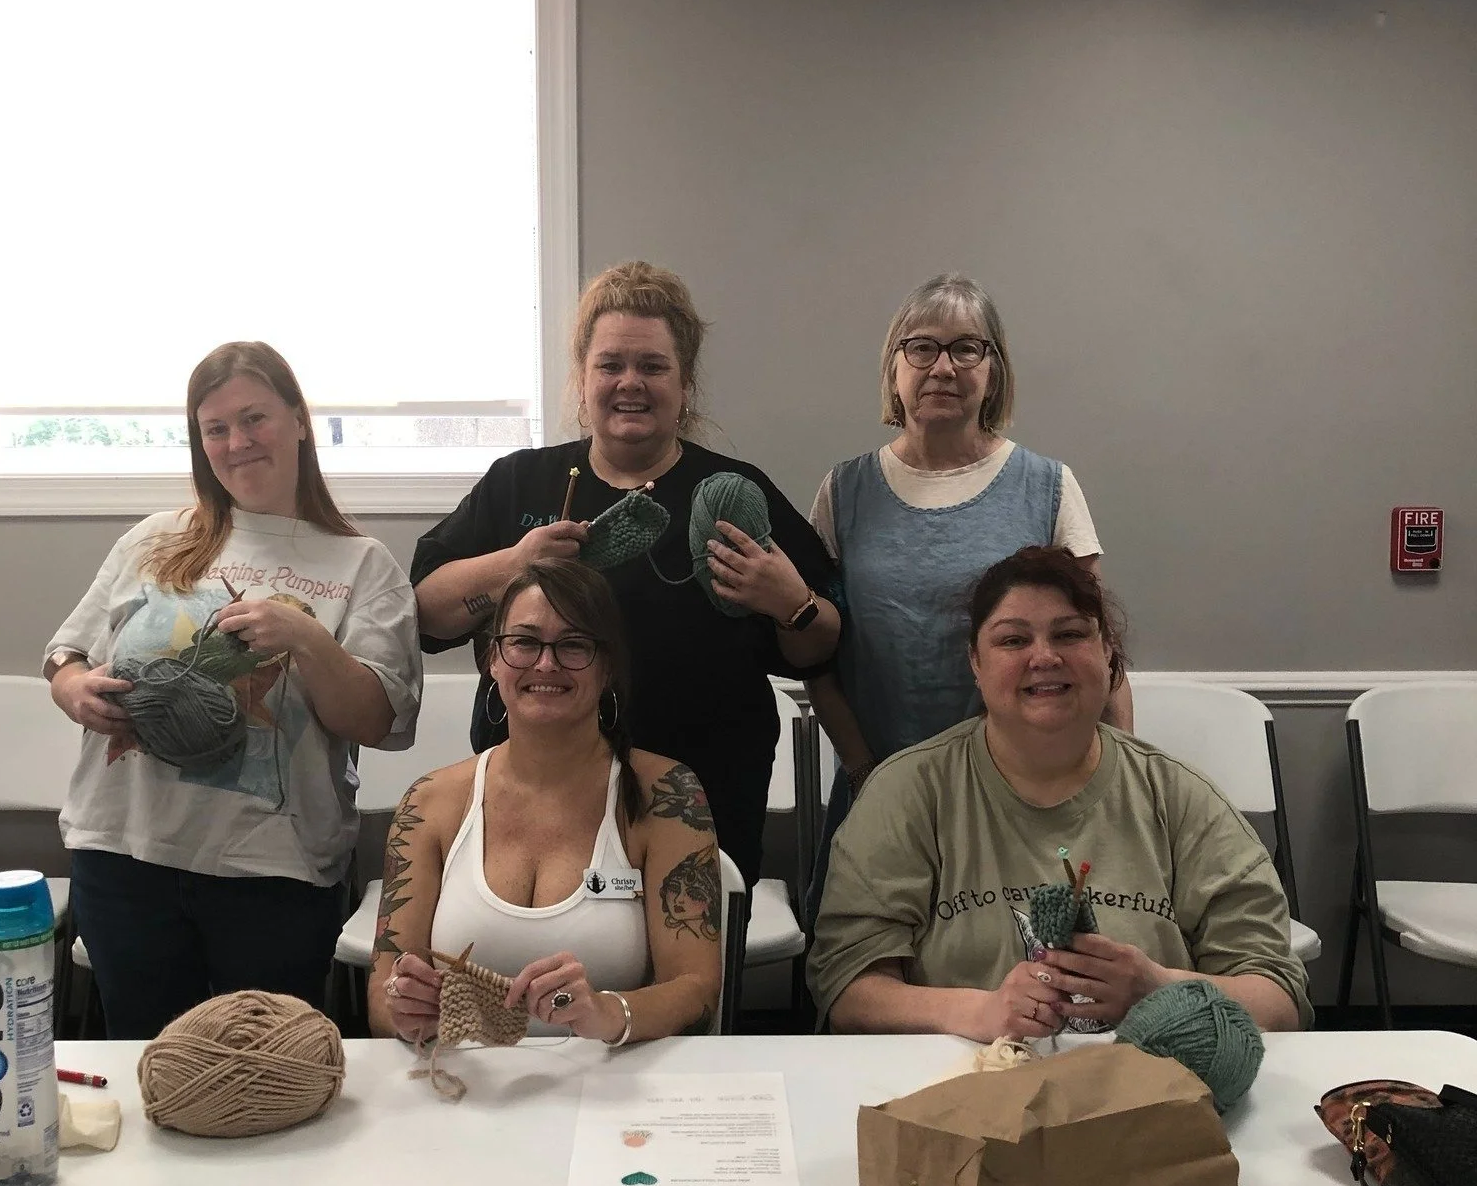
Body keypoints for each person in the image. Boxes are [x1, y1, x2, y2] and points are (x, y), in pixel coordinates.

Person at [411, 260, 839, 888]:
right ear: (581, 380)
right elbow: (425, 614)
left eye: (653, 367)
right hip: (534, 800)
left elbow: (822, 646)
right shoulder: (519, 482)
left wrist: (790, 603)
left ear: (685, 384)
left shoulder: (734, 493)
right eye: (610, 365)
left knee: (687, 980)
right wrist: (514, 565)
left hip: (705, 796)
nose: (629, 383)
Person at [45, 341, 422, 1038]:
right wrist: (73, 688)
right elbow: (66, 653)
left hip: (273, 875)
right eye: (215, 428)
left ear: (300, 421)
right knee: (146, 1069)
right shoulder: (152, 540)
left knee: (267, 1080)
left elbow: (377, 720)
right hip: (124, 857)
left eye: (254, 419)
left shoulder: (363, 565)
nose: (237, 443)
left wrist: (306, 639)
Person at [805, 547, 1310, 1039]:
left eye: (1070, 634)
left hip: (1147, 1093)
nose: (1044, 657)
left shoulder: (1179, 798)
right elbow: (849, 989)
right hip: (958, 1090)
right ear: (975, 663)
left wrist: (1159, 988)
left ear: (1108, 654)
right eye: (1012, 640)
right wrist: (982, 1013)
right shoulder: (908, 793)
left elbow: (1279, 998)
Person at [805, 274, 1131, 916]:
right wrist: (864, 771)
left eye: (967, 349)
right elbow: (819, 656)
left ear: (995, 369)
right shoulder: (843, 494)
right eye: (921, 348)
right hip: (882, 787)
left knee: (1026, 988)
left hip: (1026, 795)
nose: (943, 368)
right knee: (870, 980)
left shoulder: (1049, 486)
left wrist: (1117, 787)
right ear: (893, 369)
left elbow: (1096, 655)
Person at [370, 560, 722, 1045]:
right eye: (525, 642)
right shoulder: (430, 803)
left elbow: (698, 992)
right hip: (472, 1090)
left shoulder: (668, 795)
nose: (546, 664)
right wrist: (405, 1012)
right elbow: (381, 999)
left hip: (612, 1087)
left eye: (574, 644)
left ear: (608, 668)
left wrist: (608, 1011)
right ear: (492, 660)